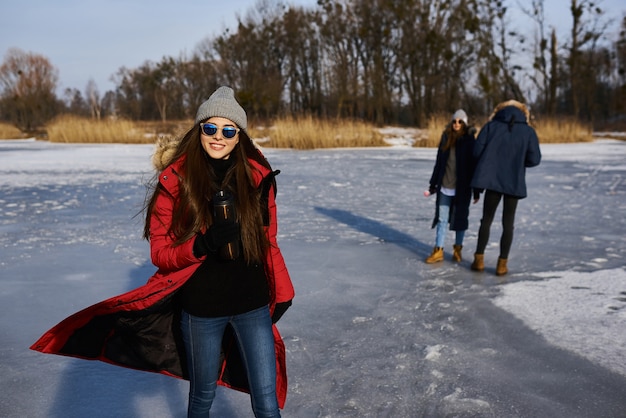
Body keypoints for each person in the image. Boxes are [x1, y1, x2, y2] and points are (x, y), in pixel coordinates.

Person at [30, 86, 295, 418]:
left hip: (252, 306)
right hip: (202, 311)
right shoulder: (177, 182)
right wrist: (202, 244)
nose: (218, 137)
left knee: (266, 401)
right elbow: (161, 253)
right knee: (202, 395)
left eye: (228, 130)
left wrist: (283, 292)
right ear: (199, 129)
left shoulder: (257, 179)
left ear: (239, 136)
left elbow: (268, 241)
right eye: (210, 127)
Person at [470, 99, 541, 276]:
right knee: (508, 224)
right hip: (513, 181)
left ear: (500, 110)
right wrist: (518, 162)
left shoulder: (490, 126)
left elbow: (476, 152)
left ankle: (478, 260)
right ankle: (502, 265)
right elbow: (535, 159)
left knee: (486, 220)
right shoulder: (528, 131)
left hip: (492, 181)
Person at [424, 109, 476, 264]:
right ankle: (438, 250)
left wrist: (477, 190)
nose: (457, 124)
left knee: (460, 219)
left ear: (465, 123)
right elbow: (439, 162)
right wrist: (433, 183)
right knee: (442, 219)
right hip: (445, 187)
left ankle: (457, 249)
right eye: (454, 121)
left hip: (462, 188)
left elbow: (473, 166)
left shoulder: (469, 140)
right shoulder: (446, 137)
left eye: (460, 121)